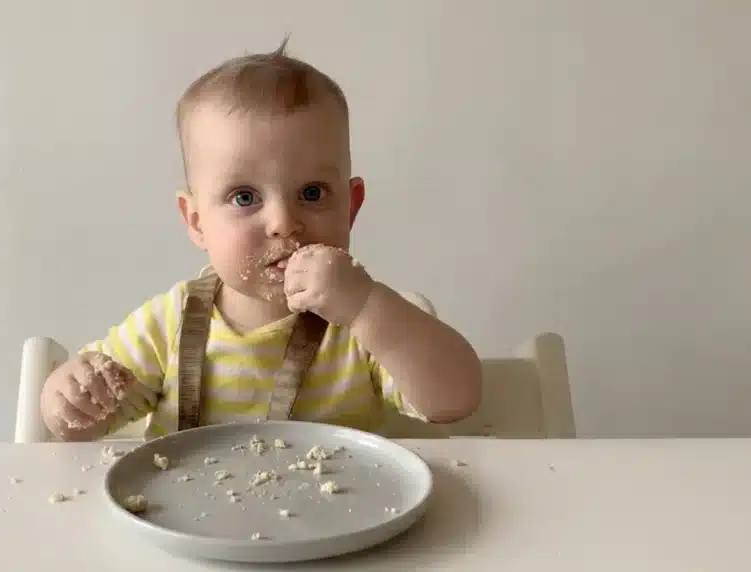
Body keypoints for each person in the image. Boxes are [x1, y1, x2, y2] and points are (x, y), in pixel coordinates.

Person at [39, 39, 482, 442]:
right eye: (244, 197)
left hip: (336, 523)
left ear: (350, 206)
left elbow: (455, 400)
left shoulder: (369, 322)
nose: (284, 223)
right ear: (196, 221)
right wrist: (69, 400)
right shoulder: (166, 327)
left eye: (311, 193)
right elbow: (79, 429)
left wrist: (366, 306)